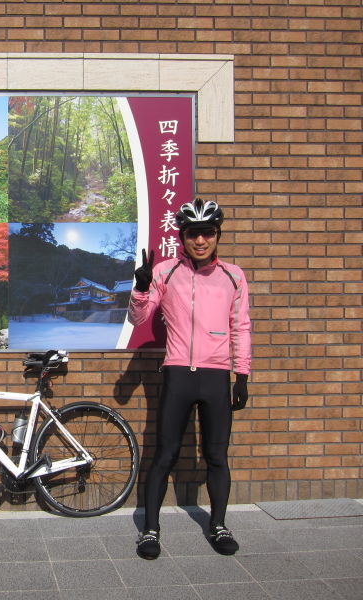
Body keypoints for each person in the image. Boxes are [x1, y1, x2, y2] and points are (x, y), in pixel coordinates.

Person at [129, 198, 251, 560]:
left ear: (217, 235)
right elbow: (138, 319)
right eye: (192, 233)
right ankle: (150, 531)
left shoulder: (234, 275)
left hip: (216, 376)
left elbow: (241, 326)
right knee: (165, 453)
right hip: (179, 372)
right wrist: (140, 288)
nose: (200, 240)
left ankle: (218, 525)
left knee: (216, 455)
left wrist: (241, 374)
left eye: (207, 233)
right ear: (182, 236)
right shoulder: (165, 272)